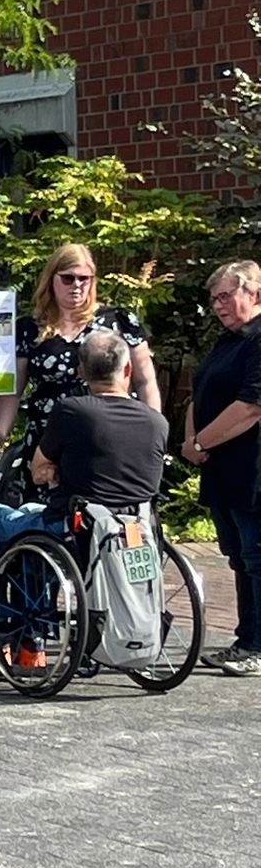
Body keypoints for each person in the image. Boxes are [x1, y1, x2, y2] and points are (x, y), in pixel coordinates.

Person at [0, 328, 167, 654]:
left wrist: (60, 470)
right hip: (135, 529)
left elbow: (39, 471)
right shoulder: (156, 423)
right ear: (128, 369)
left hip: (76, 529)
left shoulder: (73, 411)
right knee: (29, 514)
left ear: (81, 371)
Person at [0, 243, 160, 481]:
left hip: (108, 439)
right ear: (51, 279)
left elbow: (145, 380)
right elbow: (13, 391)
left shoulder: (117, 322)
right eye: (68, 278)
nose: (77, 285)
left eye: (84, 279)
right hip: (48, 444)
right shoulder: (29, 330)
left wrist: (154, 430)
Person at [184, 261, 261, 675]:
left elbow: (251, 407)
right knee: (239, 558)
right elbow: (200, 393)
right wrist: (190, 440)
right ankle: (245, 639)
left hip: (252, 472)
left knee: (256, 557)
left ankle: (258, 646)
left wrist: (200, 442)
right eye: (214, 299)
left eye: (226, 296)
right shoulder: (227, 341)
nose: (218, 305)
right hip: (221, 471)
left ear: (254, 294)